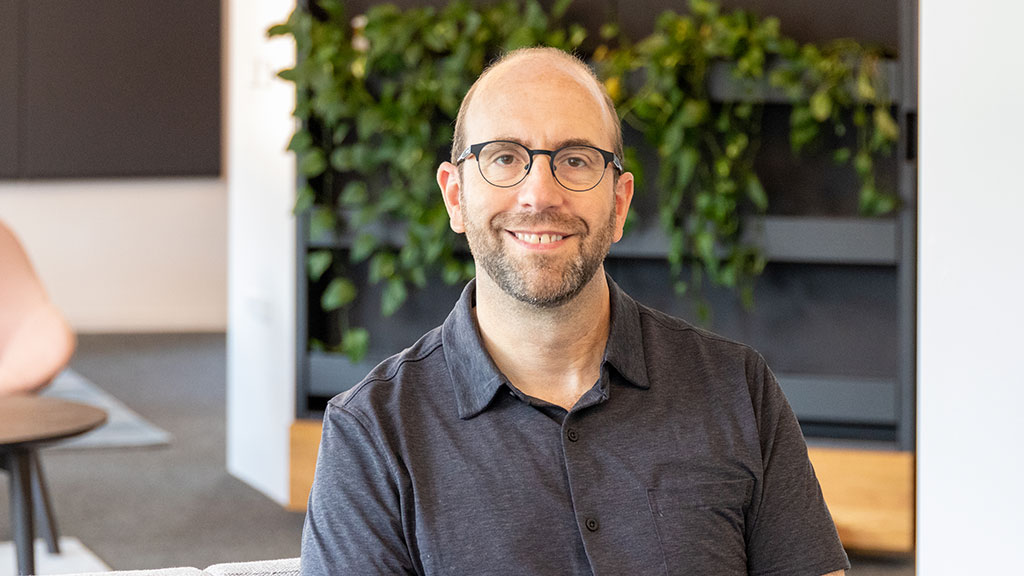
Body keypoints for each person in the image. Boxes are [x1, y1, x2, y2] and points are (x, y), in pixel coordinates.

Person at [301, 46, 849, 576]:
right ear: (455, 197)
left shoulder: (737, 389)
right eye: (504, 158)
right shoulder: (373, 432)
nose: (539, 194)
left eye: (576, 160)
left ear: (619, 203)